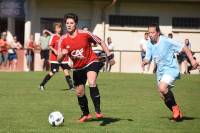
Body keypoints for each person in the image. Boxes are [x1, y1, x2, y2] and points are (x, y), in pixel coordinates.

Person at [58, 13, 115, 122]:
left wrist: (109, 56)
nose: (69, 25)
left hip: (91, 62)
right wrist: (63, 53)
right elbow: (59, 59)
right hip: (78, 68)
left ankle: (98, 111)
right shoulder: (63, 39)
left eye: (71, 23)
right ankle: (86, 114)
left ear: (76, 24)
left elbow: (101, 42)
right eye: (67, 23)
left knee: (92, 82)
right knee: (79, 92)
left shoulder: (85, 34)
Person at [142, 23, 199, 121]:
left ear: (158, 33)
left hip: (171, 69)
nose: (150, 34)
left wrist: (192, 60)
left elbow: (184, 47)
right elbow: (148, 57)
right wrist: (145, 61)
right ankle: (177, 114)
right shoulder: (149, 43)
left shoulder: (166, 41)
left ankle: (176, 109)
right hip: (160, 72)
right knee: (162, 95)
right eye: (149, 32)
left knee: (162, 87)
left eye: (152, 32)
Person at [39, 23, 74, 91]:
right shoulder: (54, 36)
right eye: (57, 28)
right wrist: (54, 50)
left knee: (66, 71)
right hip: (55, 58)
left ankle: (71, 87)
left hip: (63, 58)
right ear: (55, 29)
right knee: (53, 72)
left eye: (60, 28)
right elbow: (50, 45)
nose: (59, 29)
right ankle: (41, 85)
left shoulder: (63, 37)